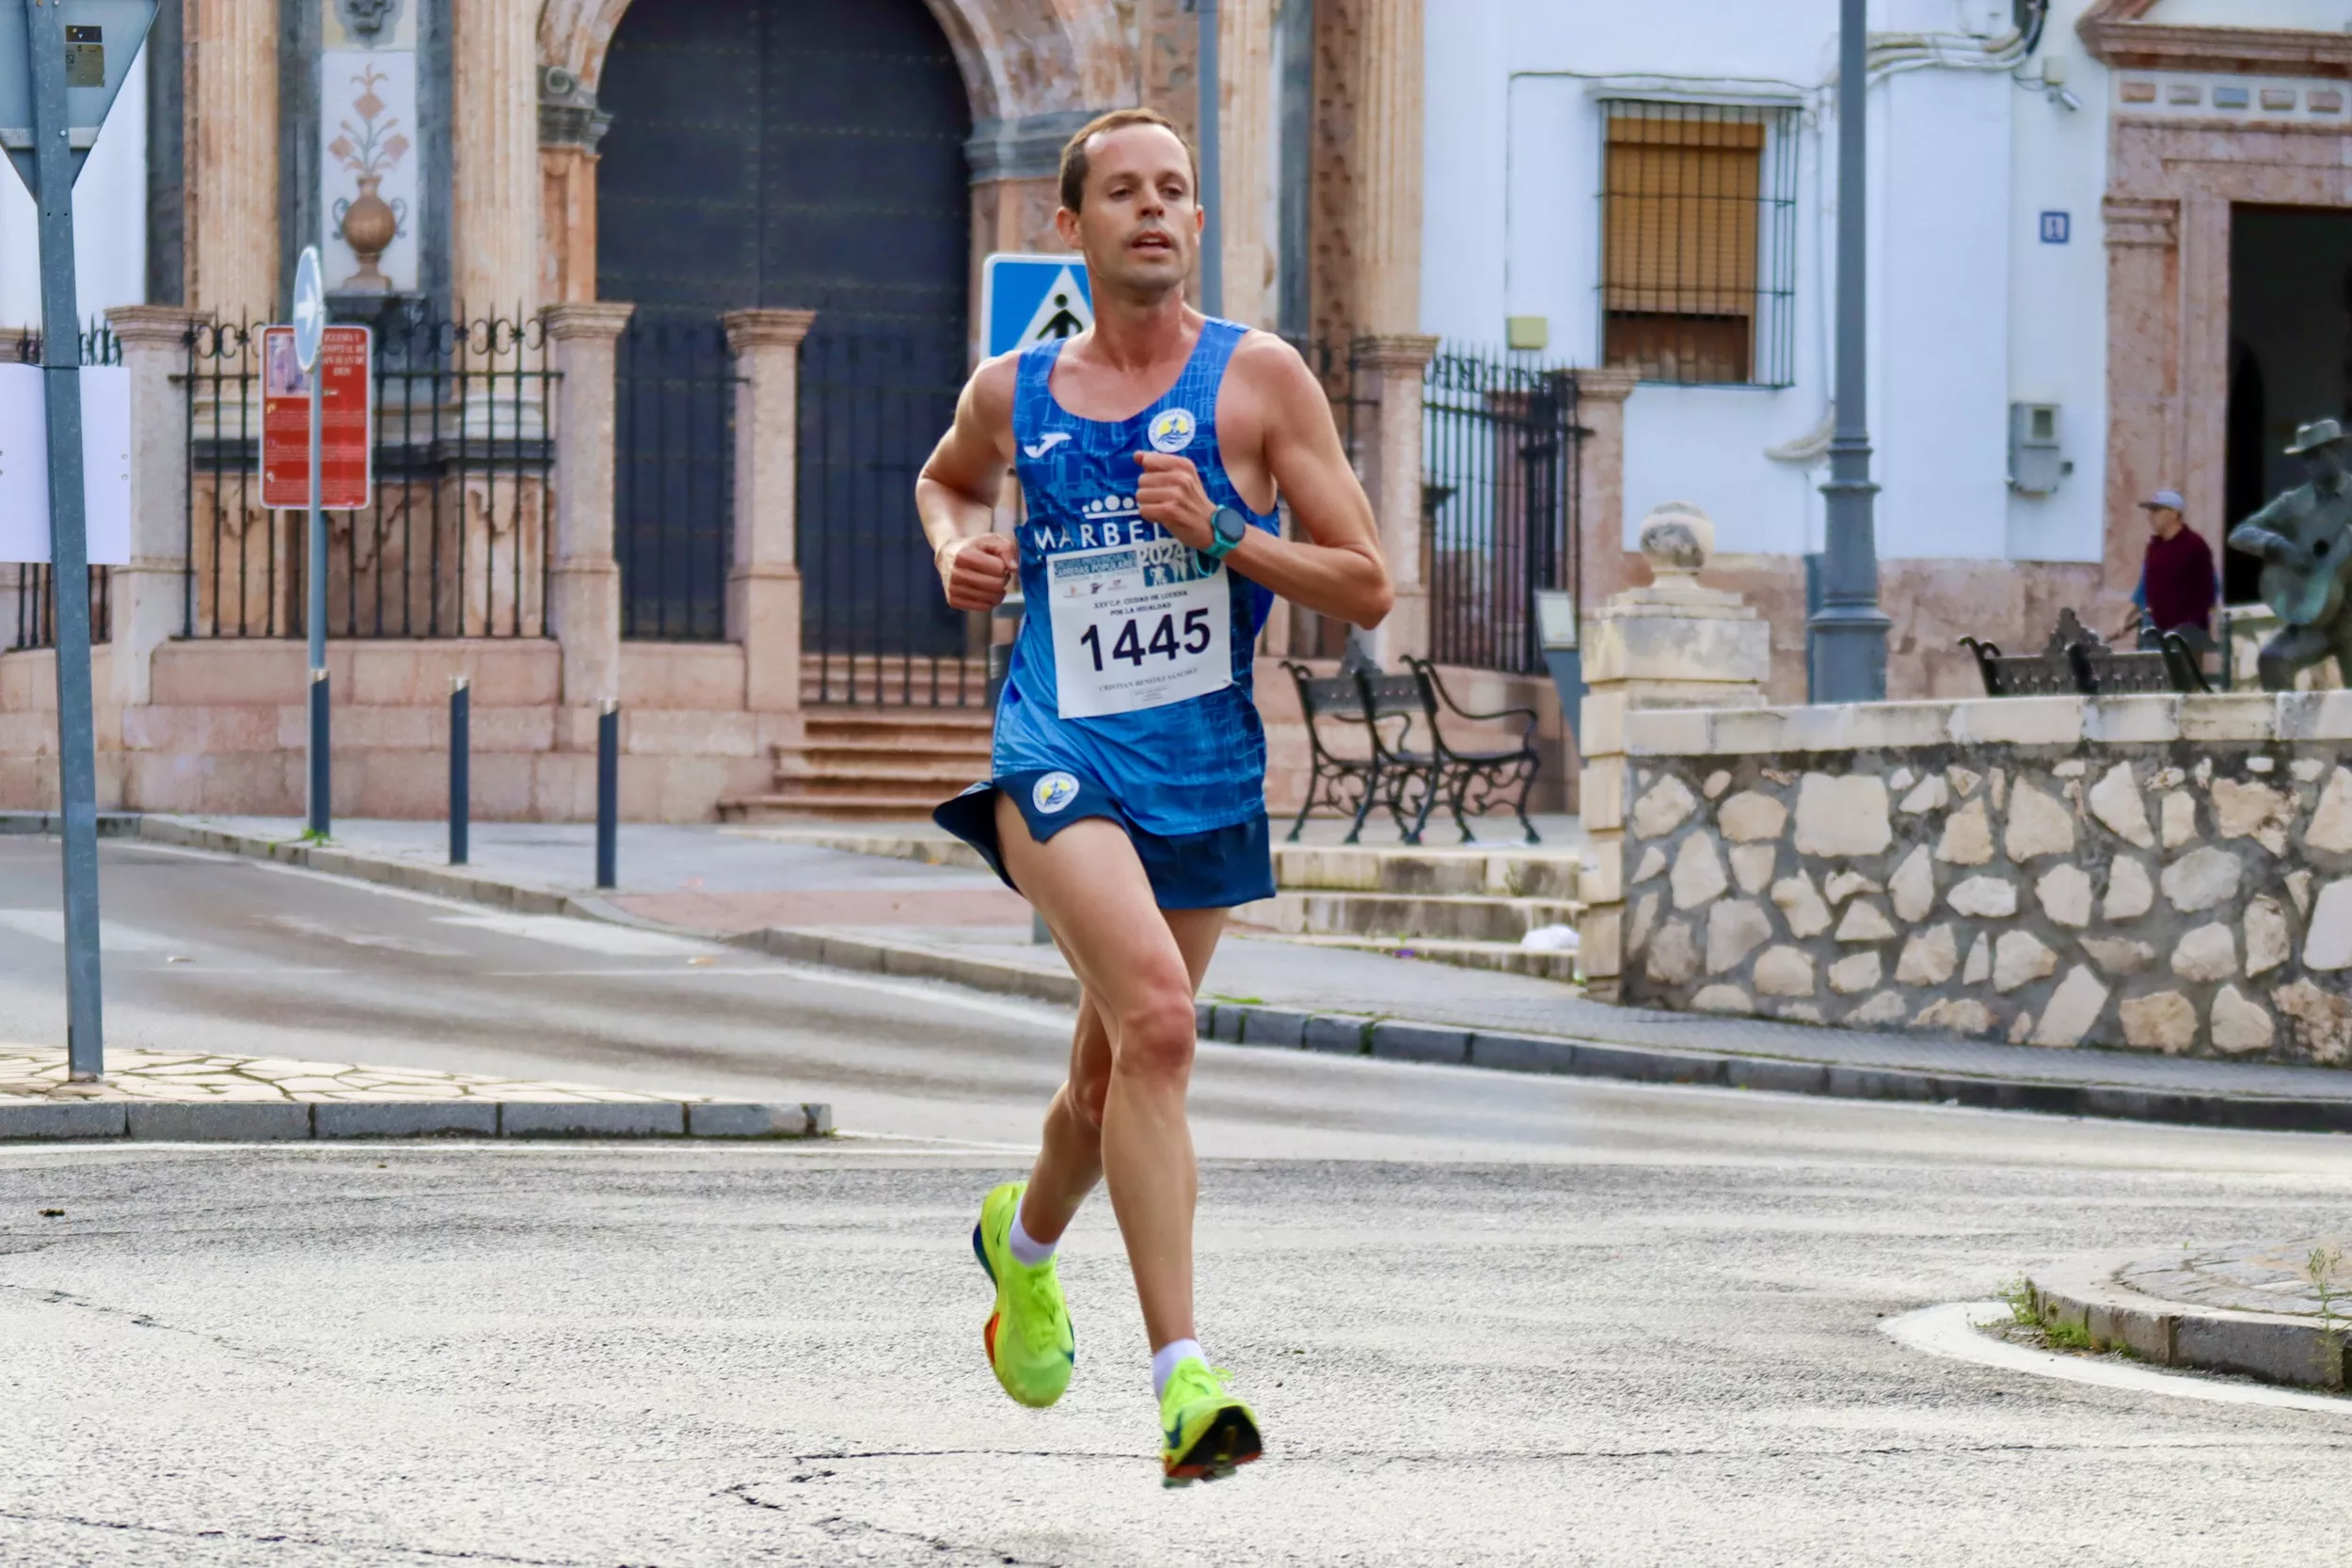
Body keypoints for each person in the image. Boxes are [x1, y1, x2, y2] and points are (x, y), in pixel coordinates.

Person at [914, 106, 1393, 1485]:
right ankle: (1185, 1381)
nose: (1151, 210)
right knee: (1165, 1026)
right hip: (1055, 744)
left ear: (1195, 222)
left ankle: (1024, 1241)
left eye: (1173, 192)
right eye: (1121, 191)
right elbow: (947, 483)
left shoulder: (1261, 384)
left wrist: (1230, 533)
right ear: (1067, 224)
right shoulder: (1018, 391)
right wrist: (960, 548)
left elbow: (1365, 584)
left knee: (1109, 1069)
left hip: (1202, 766)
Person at [2230, 419, 2352, 690]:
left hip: (2350, 619)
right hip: (2313, 619)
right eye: (2305, 458)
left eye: (2316, 455)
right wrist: (2278, 546)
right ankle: (2289, 732)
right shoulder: (2294, 503)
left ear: (2338, 451)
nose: (2310, 464)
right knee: (2272, 660)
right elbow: (2240, 534)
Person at [2125, 488, 2217, 647]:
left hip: (2183, 634)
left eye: (2156, 510)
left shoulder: (2195, 546)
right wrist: (2126, 616)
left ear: (2174, 513)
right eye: (2150, 511)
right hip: (2154, 630)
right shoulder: (2154, 547)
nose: (2151, 516)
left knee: (2179, 671)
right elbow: (2144, 586)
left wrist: (2196, 625)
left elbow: (2210, 589)